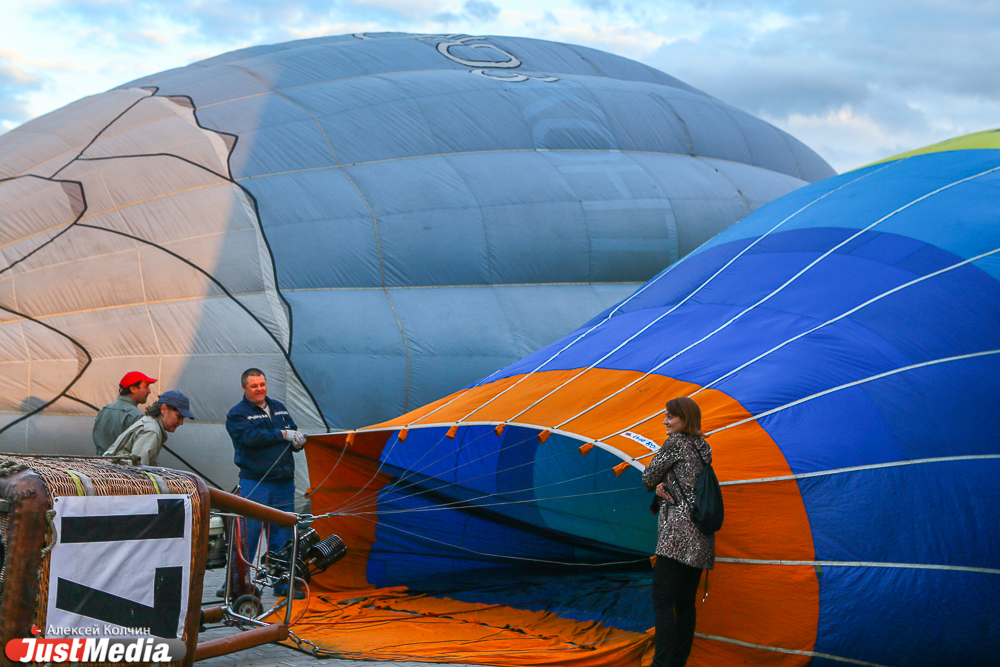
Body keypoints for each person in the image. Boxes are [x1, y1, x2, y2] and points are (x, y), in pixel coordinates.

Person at [641, 396, 715, 667]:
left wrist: (658, 483)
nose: (665, 421)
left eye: (670, 417)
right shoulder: (703, 447)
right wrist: (665, 484)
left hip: (676, 538)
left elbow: (648, 476)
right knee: (685, 603)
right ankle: (677, 662)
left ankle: (661, 664)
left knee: (661, 600)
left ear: (685, 419)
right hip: (701, 538)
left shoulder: (676, 443)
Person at [225, 368, 307, 598]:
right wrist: (282, 435)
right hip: (256, 482)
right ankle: (236, 584)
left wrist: (297, 442)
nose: (260, 389)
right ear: (244, 388)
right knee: (248, 535)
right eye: (254, 385)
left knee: (282, 535)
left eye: (262, 384)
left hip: (283, 482)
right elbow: (250, 438)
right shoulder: (237, 414)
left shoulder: (279, 407)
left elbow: (292, 431)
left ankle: (281, 584)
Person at [103, 390, 194, 466]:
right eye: (179, 416)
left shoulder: (150, 422)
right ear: (163, 409)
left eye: (183, 418)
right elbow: (137, 471)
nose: (181, 422)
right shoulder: (151, 431)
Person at [92, 371, 157, 455]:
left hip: (99, 464)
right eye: (146, 386)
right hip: (121, 466)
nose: (149, 391)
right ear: (133, 389)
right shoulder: (136, 416)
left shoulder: (104, 410)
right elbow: (140, 452)